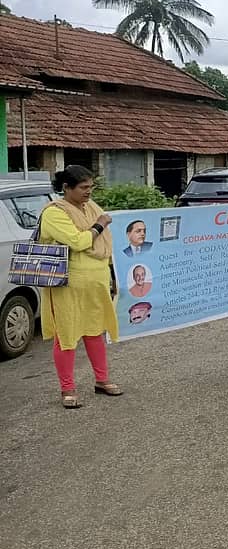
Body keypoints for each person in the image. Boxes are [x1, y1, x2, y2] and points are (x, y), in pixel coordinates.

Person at [39, 165, 122, 409]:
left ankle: (102, 380)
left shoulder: (91, 207)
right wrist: (99, 225)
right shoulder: (54, 213)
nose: (89, 192)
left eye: (91, 187)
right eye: (84, 187)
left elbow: (105, 245)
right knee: (66, 335)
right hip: (67, 284)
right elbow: (78, 241)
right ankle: (68, 389)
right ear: (66, 188)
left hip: (95, 282)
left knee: (95, 331)